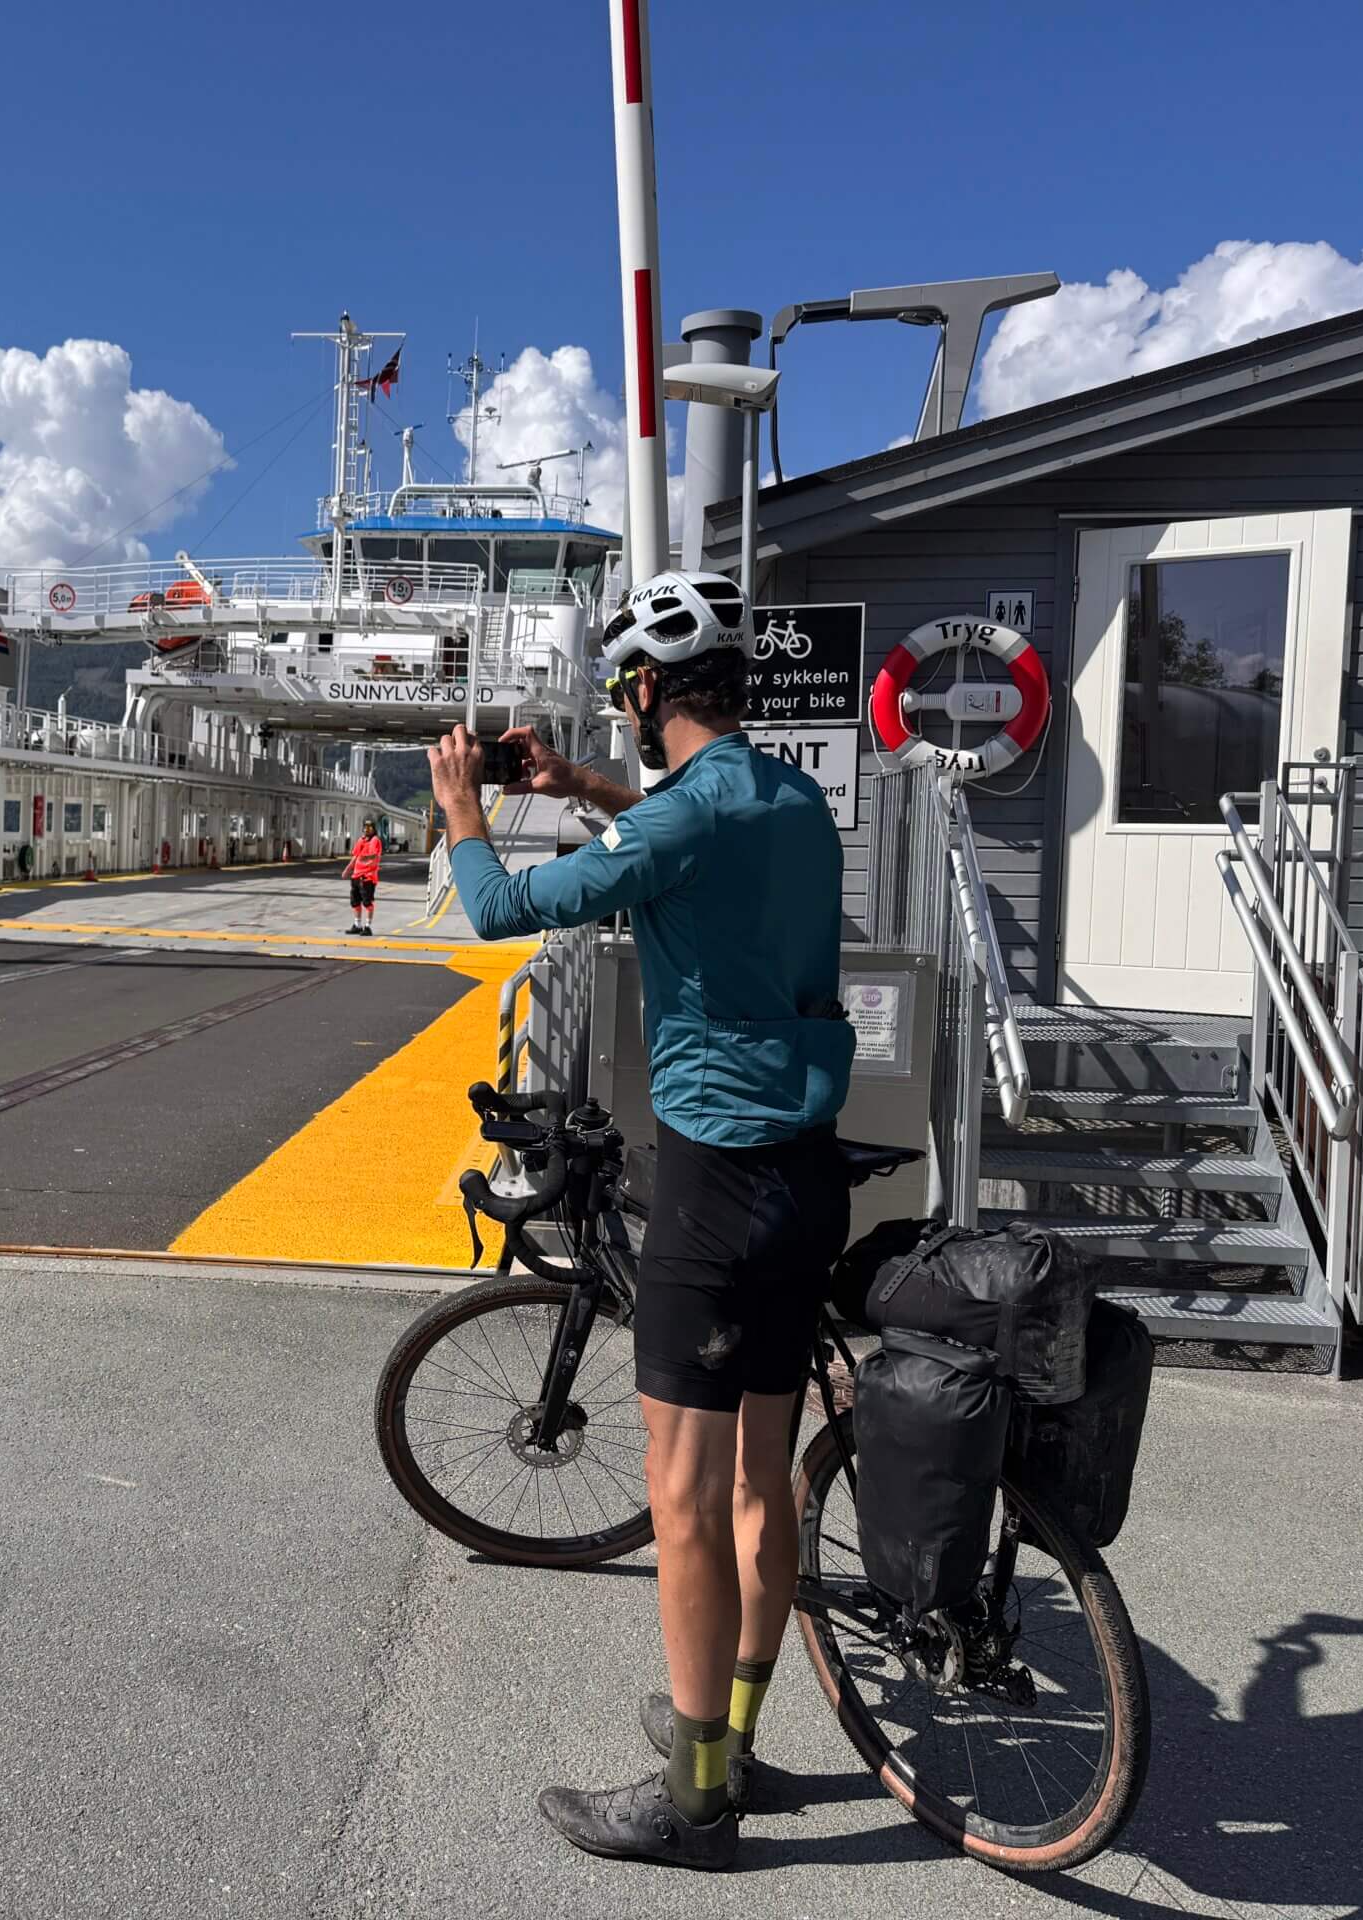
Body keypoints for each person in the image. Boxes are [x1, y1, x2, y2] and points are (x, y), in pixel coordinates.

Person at [426, 569, 855, 1872]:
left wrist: (464, 809)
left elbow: (501, 910)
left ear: (646, 686)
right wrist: (582, 789)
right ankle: (735, 1741)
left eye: (625, 688)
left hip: (715, 1188)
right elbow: (689, 831)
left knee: (682, 1500)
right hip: (809, 1179)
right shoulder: (788, 799)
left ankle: (694, 1800)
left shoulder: (684, 815)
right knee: (762, 1478)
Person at [344, 817, 384, 936]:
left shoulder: (375, 841)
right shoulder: (361, 840)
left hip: (367, 876)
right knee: (355, 902)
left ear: (374, 829)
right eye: (365, 827)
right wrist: (347, 870)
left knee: (367, 902)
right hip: (356, 875)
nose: (367, 830)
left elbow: (374, 856)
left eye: (369, 828)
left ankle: (368, 927)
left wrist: (367, 862)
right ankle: (357, 925)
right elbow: (355, 857)